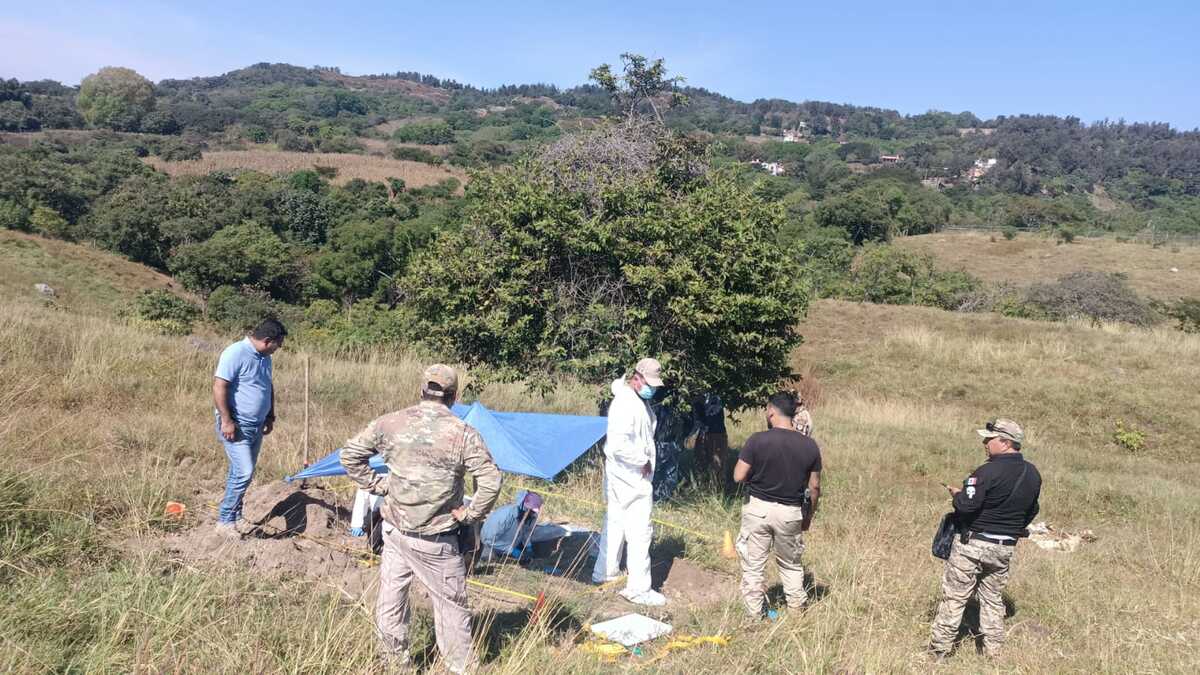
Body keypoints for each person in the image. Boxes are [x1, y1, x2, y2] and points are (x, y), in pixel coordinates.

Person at [341, 364, 502, 674]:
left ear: (421, 390)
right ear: (454, 396)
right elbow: (491, 480)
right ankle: (460, 667)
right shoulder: (462, 433)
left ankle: (393, 663)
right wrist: (471, 515)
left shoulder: (390, 423)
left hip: (394, 532)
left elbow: (350, 455)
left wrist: (379, 486)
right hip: (437, 540)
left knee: (391, 599)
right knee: (451, 607)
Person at [928, 418, 1042, 660]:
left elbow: (967, 506)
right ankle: (993, 651)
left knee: (955, 597)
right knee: (992, 599)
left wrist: (957, 496)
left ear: (1005, 442)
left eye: (989, 439)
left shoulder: (986, 471)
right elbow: (1032, 510)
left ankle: (939, 650)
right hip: (1005, 547)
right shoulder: (1032, 473)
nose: (985, 443)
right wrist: (1011, 528)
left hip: (973, 544)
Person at [732, 391, 822, 619]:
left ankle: (754, 615)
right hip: (790, 512)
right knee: (791, 565)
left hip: (758, 510)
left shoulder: (757, 440)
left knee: (754, 566)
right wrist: (808, 517)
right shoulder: (810, 446)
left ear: (771, 411)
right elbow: (814, 487)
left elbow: (738, 476)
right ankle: (796, 612)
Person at [591, 357, 667, 606]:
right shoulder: (626, 403)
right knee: (640, 531)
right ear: (637, 378)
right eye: (649, 383)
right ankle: (638, 588)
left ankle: (605, 572)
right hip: (631, 476)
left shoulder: (635, 400)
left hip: (623, 475)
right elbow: (617, 445)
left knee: (615, 523)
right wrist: (642, 460)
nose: (652, 389)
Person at [212, 318, 286, 537]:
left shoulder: (265, 358)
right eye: (278, 344)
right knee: (244, 472)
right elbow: (219, 386)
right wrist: (226, 421)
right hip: (236, 424)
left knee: (242, 472)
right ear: (267, 340)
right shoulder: (235, 352)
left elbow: (267, 386)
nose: (278, 349)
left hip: (257, 424)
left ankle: (236, 516)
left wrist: (270, 415)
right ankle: (225, 521)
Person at [480, 490, 543, 562]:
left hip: (511, 544)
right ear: (523, 506)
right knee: (489, 558)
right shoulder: (504, 516)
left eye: (534, 512)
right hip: (493, 545)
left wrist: (528, 546)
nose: (532, 514)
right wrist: (511, 550)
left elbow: (526, 532)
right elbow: (488, 539)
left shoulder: (531, 516)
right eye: (531, 511)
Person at [694, 392, 729, 484]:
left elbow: (713, 411)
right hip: (704, 433)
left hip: (716, 433)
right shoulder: (697, 394)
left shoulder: (715, 393)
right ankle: (702, 486)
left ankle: (717, 488)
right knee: (700, 463)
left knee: (717, 465)